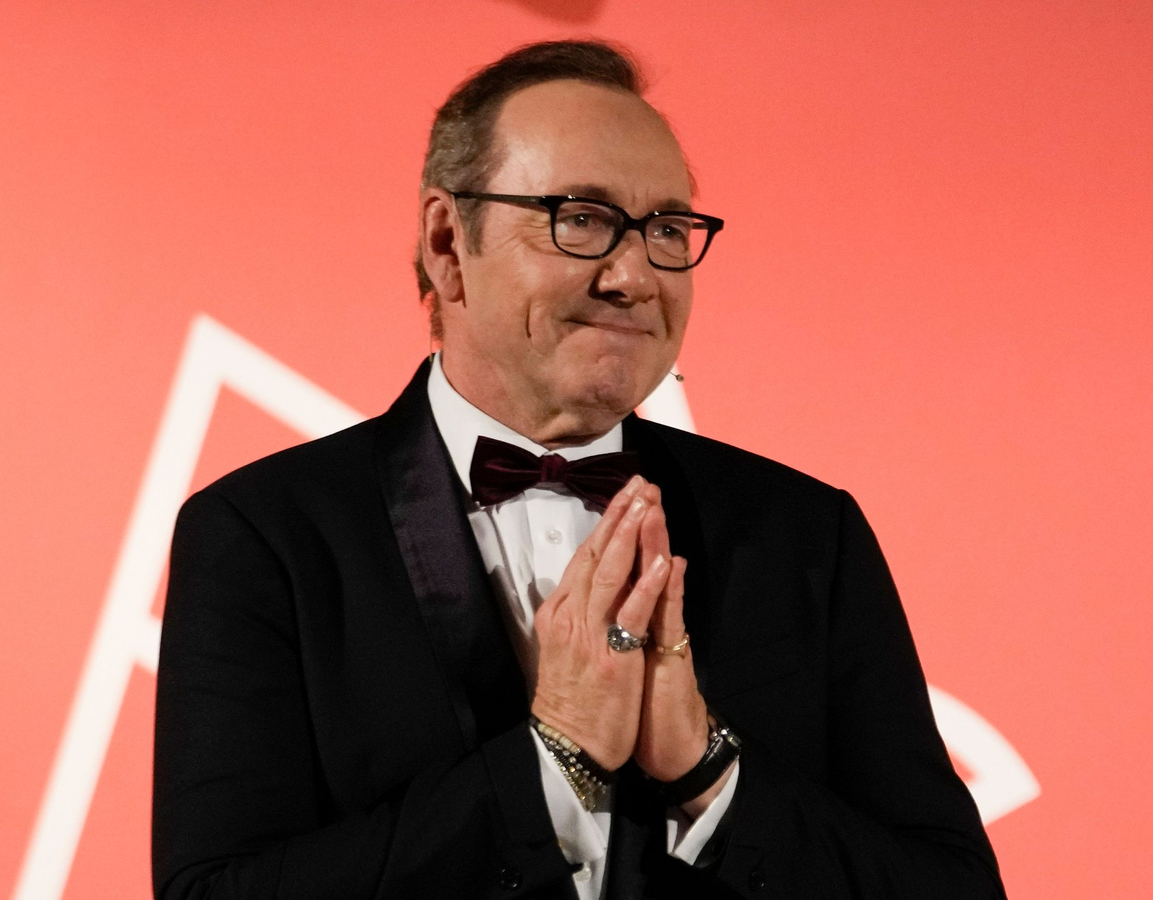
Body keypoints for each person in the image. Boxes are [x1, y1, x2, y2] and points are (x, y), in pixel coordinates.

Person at [152, 40, 1006, 899]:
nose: (634, 276)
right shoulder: (264, 536)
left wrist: (708, 774)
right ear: (448, 242)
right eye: (581, 218)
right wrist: (553, 760)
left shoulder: (805, 534)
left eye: (665, 229)